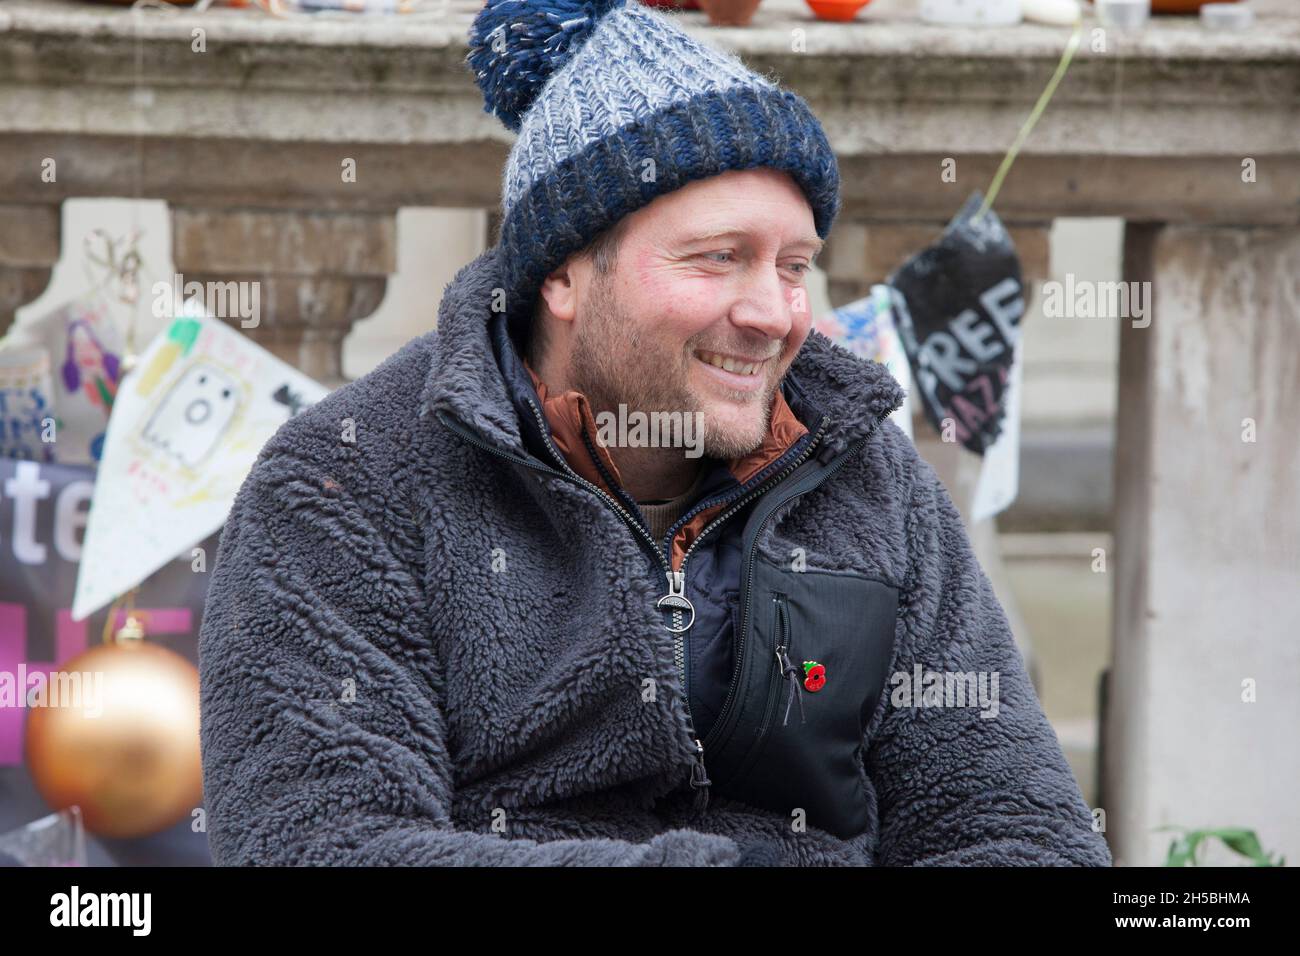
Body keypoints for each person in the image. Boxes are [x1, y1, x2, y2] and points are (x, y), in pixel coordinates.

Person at [197, 0, 1111, 867]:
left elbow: (1017, 828)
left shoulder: (863, 472)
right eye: (719, 257)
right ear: (562, 275)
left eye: (794, 266)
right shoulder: (344, 484)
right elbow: (319, 845)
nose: (774, 314)